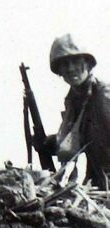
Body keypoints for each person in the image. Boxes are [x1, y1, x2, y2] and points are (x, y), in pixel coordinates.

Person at [47, 34, 110, 188]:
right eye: (64, 64)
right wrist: (52, 143)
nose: (70, 68)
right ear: (59, 71)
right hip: (98, 181)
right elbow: (75, 140)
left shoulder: (103, 93)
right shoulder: (74, 100)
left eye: (75, 61)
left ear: (88, 64)